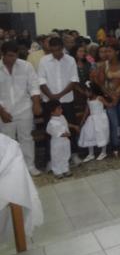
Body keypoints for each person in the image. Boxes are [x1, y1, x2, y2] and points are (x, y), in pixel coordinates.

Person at [0, 41, 42, 176]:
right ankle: (10, 169)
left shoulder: (26, 66)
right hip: (4, 111)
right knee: (8, 141)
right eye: (9, 56)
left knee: (27, 139)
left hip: (24, 108)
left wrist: (36, 104)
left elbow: (34, 86)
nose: (12, 59)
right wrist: (1, 112)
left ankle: (30, 166)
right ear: (2, 54)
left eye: (15, 56)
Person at [38, 37, 81, 166]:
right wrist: (51, 96)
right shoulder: (44, 61)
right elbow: (41, 81)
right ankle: (50, 160)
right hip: (49, 102)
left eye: (58, 50)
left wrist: (60, 95)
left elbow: (74, 80)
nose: (56, 53)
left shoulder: (70, 60)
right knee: (50, 131)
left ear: (62, 48)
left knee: (69, 128)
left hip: (66, 100)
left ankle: (73, 155)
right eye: (53, 50)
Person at [95, 41, 120, 157]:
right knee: (113, 122)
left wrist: (119, 95)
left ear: (116, 52)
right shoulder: (103, 65)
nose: (107, 54)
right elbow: (101, 84)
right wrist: (112, 96)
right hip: (109, 96)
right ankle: (115, 146)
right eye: (106, 51)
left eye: (109, 51)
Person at [78, 82, 110, 162]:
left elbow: (107, 105)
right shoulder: (88, 100)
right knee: (89, 134)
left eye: (87, 91)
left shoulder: (99, 98)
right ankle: (91, 154)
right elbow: (87, 111)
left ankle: (103, 152)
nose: (86, 93)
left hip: (100, 118)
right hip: (92, 119)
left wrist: (112, 103)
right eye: (85, 91)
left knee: (102, 134)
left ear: (93, 91)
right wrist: (83, 121)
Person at [46, 100, 78, 179]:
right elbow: (52, 131)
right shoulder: (51, 122)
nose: (61, 110)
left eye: (61, 108)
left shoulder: (62, 117)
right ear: (52, 112)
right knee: (57, 156)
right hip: (57, 143)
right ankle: (57, 171)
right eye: (59, 109)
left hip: (65, 141)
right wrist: (64, 134)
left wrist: (73, 126)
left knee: (66, 155)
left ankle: (65, 169)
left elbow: (66, 124)